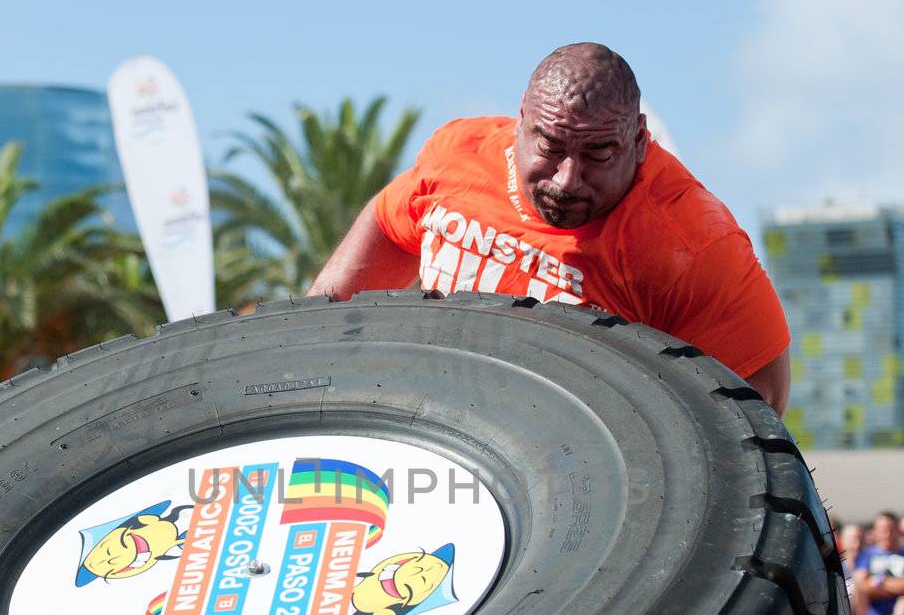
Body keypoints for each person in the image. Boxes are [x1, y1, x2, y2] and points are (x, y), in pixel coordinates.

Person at [309, 43, 793, 411]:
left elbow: (759, 403)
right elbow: (391, 224)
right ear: (521, 119)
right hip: (436, 425)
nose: (567, 179)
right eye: (550, 147)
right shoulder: (457, 155)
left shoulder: (694, 244)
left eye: (598, 154)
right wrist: (314, 338)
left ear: (639, 140)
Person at [852, 511, 904, 615]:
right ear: (875, 531)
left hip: (902, 614)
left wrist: (880, 582)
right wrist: (898, 587)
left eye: (891, 530)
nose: (887, 534)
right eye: (883, 530)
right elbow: (861, 584)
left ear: (898, 531)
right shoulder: (866, 555)